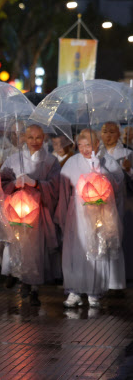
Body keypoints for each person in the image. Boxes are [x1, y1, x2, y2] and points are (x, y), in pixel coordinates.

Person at [56, 129, 125, 308]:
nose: (85, 149)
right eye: (81, 145)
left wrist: (101, 172)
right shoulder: (72, 162)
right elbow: (63, 190)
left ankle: (95, 290)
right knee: (77, 249)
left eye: (89, 144)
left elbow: (118, 187)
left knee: (96, 248)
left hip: (99, 213)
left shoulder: (107, 162)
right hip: (77, 213)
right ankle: (74, 290)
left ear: (97, 144)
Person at [0, 125, 61, 306]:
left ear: (45, 138)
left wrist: (36, 184)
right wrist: (14, 184)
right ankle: (16, 276)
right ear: (24, 138)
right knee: (15, 246)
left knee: (35, 250)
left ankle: (33, 287)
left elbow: (55, 186)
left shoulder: (51, 161)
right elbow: (2, 181)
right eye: (30, 137)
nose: (34, 142)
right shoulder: (13, 159)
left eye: (38, 137)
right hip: (15, 210)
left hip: (37, 212)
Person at [99, 122, 133, 280]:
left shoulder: (127, 153)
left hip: (123, 201)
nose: (108, 135)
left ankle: (122, 276)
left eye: (112, 132)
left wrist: (129, 170)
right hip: (102, 202)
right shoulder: (97, 153)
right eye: (105, 131)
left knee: (121, 235)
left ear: (119, 134)